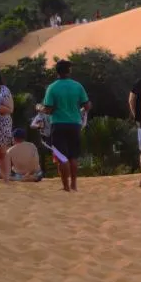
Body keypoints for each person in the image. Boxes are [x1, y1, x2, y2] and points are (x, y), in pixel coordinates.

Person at [43, 60, 91, 192]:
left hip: (58, 124)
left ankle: (65, 186)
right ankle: (74, 184)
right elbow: (87, 105)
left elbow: (48, 109)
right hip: (75, 124)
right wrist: (78, 110)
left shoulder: (52, 88)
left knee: (62, 157)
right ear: (69, 71)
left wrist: (42, 109)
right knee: (73, 156)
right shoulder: (77, 86)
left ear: (57, 71)